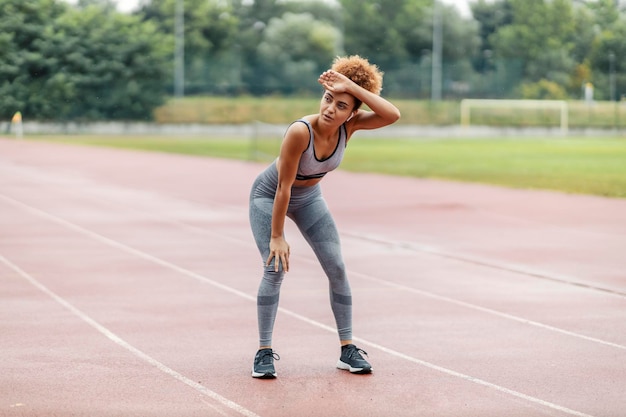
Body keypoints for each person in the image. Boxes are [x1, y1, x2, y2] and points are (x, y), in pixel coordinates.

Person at [249, 55, 401, 378]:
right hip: (270, 195)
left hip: (309, 198)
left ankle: (347, 349)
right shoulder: (299, 133)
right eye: (328, 98)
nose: (330, 108)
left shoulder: (352, 126)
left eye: (341, 104)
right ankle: (263, 352)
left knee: (337, 265)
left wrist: (350, 86)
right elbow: (282, 190)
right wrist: (278, 236)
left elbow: (393, 115)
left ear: (353, 112)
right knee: (275, 268)